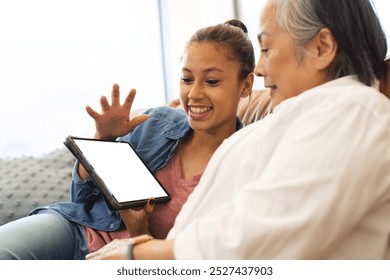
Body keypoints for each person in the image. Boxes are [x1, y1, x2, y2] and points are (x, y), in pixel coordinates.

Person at [86, 0, 390, 260]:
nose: (259, 69)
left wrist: (137, 254)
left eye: (268, 48)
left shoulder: (353, 111)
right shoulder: (304, 116)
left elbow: (261, 233)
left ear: (321, 48)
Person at [0, 19, 255, 260]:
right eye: (187, 79)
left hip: (127, 260)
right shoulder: (156, 122)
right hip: (78, 228)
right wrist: (103, 140)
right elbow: (82, 199)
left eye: (211, 81)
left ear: (245, 84)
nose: (194, 93)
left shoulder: (246, 167)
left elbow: (182, 262)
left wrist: (139, 231)